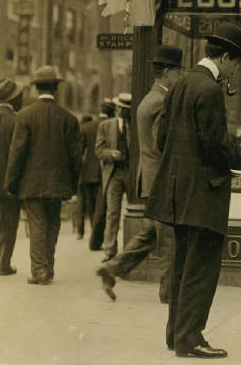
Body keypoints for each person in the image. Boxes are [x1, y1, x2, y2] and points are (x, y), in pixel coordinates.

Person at [145, 22, 241, 359]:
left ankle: (175, 335)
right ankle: (191, 339)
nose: (237, 72)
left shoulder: (180, 85)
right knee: (201, 272)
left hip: (177, 194)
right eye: (237, 65)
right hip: (204, 196)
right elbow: (216, 146)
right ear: (226, 57)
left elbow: (163, 138)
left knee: (182, 267)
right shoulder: (209, 90)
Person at [97, 45, 183, 302]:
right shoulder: (161, 101)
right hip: (161, 179)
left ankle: (113, 268)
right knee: (168, 238)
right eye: (178, 72)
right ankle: (169, 294)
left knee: (150, 233)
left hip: (148, 177)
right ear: (167, 72)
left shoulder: (148, 99)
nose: (179, 78)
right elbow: (161, 143)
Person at [4, 66, 82, 285]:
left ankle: (40, 271)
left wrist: (11, 183)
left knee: (37, 225)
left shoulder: (25, 116)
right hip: (58, 184)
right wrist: (73, 186)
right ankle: (48, 267)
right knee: (52, 224)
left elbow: (16, 153)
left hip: (32, 183)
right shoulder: (69, 119)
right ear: (56, 88)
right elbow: (76, 158)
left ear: (36, 88)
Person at [95, 93, 132, 263]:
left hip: (131, 173)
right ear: (117, 109)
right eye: (123, 109)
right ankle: (109, 250)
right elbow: (99, 150)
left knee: (134, 211)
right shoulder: (105, 126)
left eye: (127, 110)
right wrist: (112, 154)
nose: (125, 113)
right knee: (113, 212)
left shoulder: (134, 126)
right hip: (114, 174)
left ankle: (131, 250)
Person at [0, 77, 23, 276]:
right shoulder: (17, 120)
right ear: (13, 98)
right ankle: (4, 263)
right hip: (8, 182)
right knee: (8, 223)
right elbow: (19, 154)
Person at [83, 99, 116, 251]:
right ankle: (95, 241)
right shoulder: (111, 127)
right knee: (101, 209)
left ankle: (93, 237)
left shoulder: (86, 127)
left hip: (87, 173)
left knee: (91, 208)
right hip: (104, 171)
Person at [73, 115, 94, 240]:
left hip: (81, 173)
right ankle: (92, 229)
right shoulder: (89, 131)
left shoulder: (80, 133)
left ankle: (80, 231)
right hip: (90, 173)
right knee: (90, 203)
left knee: (80, 203)